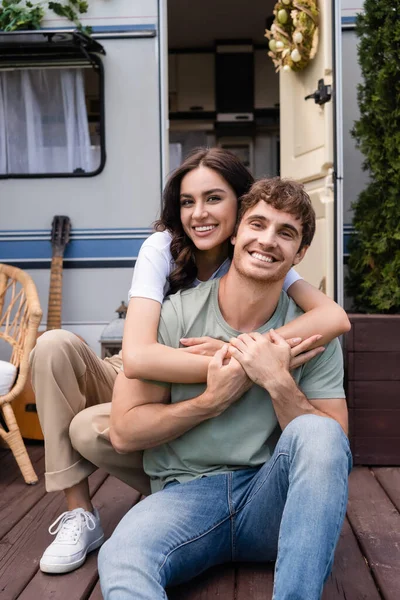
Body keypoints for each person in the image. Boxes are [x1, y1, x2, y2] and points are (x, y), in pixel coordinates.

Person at [31, 148, 350, 575]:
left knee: (314, 435)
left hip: (206, 388)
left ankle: (194, 503)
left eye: (214, 198)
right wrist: (240, 363)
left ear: (239, 206)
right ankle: (85, 512)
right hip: (149, 360)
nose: (199, 213)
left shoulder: (267, 245)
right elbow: (139, 356)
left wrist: (268, 370)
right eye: (187, 201)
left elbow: (333, 318)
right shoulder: (162, 248)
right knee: (60, 363)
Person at [99, 177, 352, 600]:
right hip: (185, 497)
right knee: (121, 558)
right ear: (235, 234)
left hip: (273, 498)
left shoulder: (314, 333)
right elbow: (124, 433)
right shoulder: (175, 316)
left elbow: (333, 446)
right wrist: (210, 401)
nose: (268, 241)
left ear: (300, 253)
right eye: (257, 224)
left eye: (286, 233)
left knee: (320, 431)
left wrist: (276, 379)